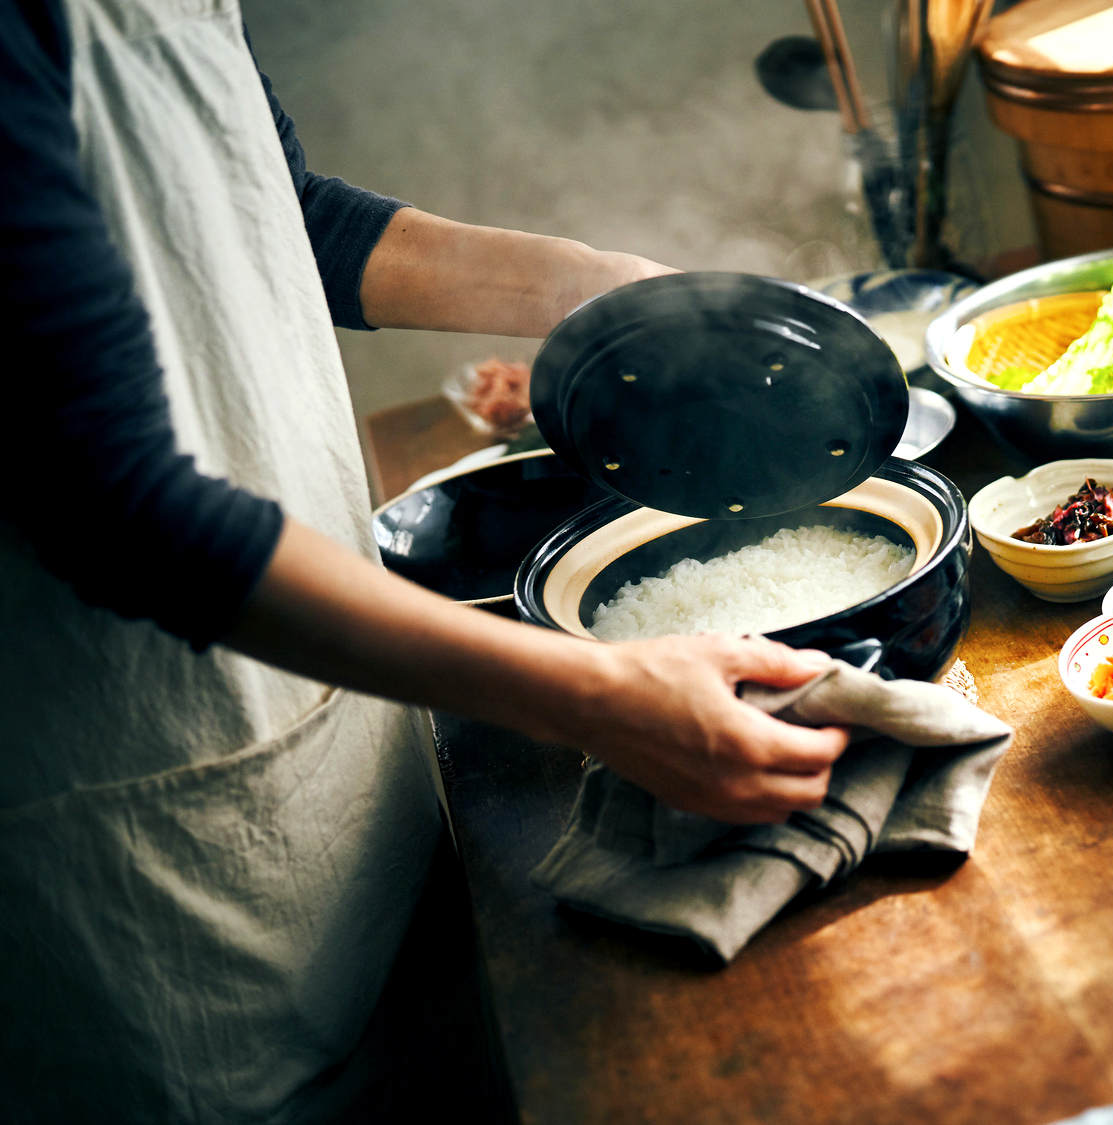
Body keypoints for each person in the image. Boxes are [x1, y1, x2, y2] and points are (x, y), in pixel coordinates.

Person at [0, 0, 850, 1118]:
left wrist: (604, 292)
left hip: (338, 741)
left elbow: (263, 211)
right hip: (144, 818)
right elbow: (113, 506)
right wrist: (598, 696)